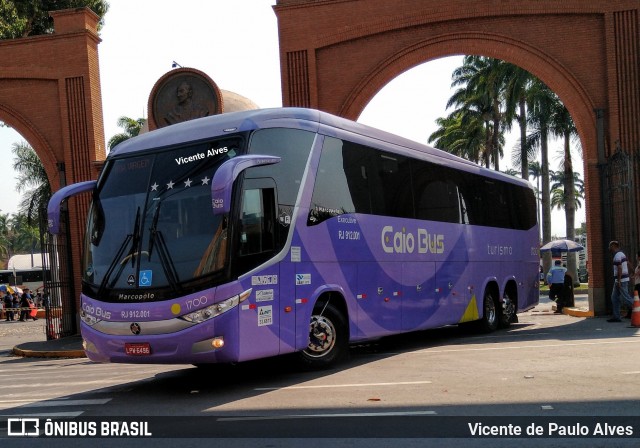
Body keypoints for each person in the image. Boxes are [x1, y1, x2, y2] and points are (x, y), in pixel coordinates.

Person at [608, 240, 633, 322]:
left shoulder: (617, 256)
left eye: (610, 246)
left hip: (621, 280)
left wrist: (618, 281)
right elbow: (628, 263)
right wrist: (633, 271)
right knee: (614, 297)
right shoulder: (622, 254)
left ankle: (637, 307)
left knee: (626, 298)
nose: (609, 248)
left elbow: (620, 268)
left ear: (614, 246)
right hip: (620, 280)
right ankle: (616, 316)